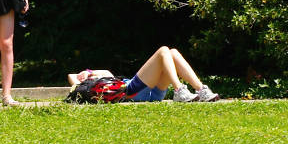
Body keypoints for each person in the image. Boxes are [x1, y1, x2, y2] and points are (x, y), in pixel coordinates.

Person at [67, 46, 219, 102]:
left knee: (172, 53)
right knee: (163, 51)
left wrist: (88, 72)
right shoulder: (91, 88)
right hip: (130, 91)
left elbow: (106, 72)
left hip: (152, 93)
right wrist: (82, 78)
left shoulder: (105, 77)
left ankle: (201, 90)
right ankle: (179, 90)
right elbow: (71, 77)